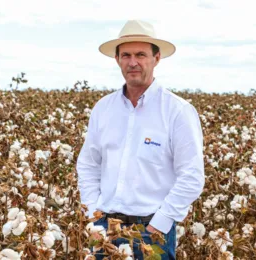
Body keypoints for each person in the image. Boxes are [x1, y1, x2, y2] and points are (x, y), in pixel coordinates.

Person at [77, 20, 205, 260]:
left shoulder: (177, 111)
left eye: (140, 55)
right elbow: (88, 164)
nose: (132, 62)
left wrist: (160, 223)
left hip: (152, 232)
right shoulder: (103, 108)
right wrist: (92, 218)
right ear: (117, 60)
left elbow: (192, 175)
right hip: (104, 229)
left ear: (157, 59)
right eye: (126, 55)